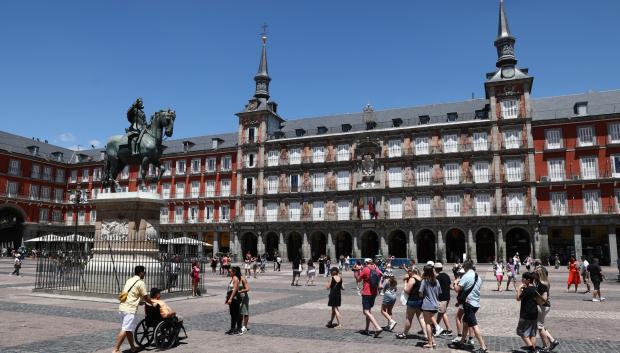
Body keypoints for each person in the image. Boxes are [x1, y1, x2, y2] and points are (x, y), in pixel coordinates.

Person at [113, 265, 153, 353]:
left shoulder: (129, 280)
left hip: (122, 307)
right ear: (141, 273)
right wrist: (152, 303)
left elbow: (131, 294)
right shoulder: (140, 282)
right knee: (125, 329)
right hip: (129, 309)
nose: (145, 274)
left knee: (128, 329)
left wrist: (139, 302)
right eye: (144, 272)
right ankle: (116, 349)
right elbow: (146, 297)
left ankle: (133, 348)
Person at [452, 260, 488, 353]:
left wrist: (455, 282)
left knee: (474, 325)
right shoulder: (478, 277)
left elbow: (457, 289)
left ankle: (483, 347)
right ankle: (462, 342)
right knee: (465, 323)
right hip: (476, 303)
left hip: (469, 304)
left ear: (465, 267)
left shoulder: (466, 276)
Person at [354, 258, 383, 337]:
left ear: (366, 263)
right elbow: (381, 274)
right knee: (369, 311)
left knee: (366, 311)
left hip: (366, 293)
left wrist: (356, 272)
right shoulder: (376, 268)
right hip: (374, 293)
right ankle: (366, 329)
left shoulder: (365, 269)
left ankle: (377, 327)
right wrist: (380, 284)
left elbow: (358, 280)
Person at [533, 268, 560, 352]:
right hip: (544, 306)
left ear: (539, 275)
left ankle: (546, 346)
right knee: (541, 325)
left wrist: (536, 300)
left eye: (536, 274)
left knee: (539, 327)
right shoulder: (543, 282)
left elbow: (544, 297)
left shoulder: (542, 284)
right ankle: (552, 341)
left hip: (542, 306)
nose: (534, 276)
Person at [396, 267, 425, 340]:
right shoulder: (421, 278)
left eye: (408, 271)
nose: (407, 273)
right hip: (420, 300)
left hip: (413, 300)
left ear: (412, 272)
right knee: (421, 318)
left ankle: (404, 334)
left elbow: (407, 290)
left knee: (409, 318)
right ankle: (426, 335)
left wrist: (405, 281)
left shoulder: (412, 279)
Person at [514, 272, 539, 353]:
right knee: (532, 334)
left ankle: (531, 348)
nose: (522, 279)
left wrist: (518, 289)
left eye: (523, 278)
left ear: (528, 280)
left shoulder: (527, 290)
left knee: (520, 331)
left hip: (526, 314)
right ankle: (533, 350)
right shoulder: (535, 288)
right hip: (534, 313)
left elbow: (518, 298)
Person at [419, 264, 442, 349]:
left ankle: (430, 343)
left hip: (427, 305)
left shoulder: (424, 281)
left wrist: (424, 294)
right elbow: (439, 292)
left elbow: (420, 293)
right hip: (435, 305)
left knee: (428, 324)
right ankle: (434, 342)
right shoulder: (436, 281)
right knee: (431, 323)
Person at [435, 262, 453, 337]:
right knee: (442, 313)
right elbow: (450, 286)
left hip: (442, 298)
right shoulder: (446, 275)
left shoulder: (438, 277)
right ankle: (436, 327)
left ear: (435, 269)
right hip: (447, 297)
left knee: (441, 313)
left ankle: (448, 330)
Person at [225, 266, 243, 335]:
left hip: (234, 298)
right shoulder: (232, 278)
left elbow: (235, 289)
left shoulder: (235, 279)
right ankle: (232, 328)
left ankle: (238, 328)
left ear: (234, 272)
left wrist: (230, 298)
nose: (229, 273)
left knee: (235, 314)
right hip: (231, 297)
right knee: (232, 314)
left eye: (230, 272)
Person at [239, 269, 251, 333]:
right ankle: (239, 326)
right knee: (239, 312)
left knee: (245, 312)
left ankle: (245, 326)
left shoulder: (242, 279)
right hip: (237, 298)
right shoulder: (234, 279)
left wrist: (240, 291)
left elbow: (248, 288)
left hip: (244, 297)